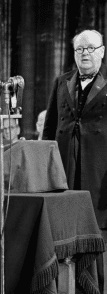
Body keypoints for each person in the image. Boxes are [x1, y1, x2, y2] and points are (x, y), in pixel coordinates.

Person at [43, 29, 107, 231]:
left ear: (102, 51)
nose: (85, 53)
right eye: (79, 49)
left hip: (98, 165)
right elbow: (50, 126)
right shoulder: (61, 81)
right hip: (64, 162)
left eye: (90, 48)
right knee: (63, 224)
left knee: (95, 227)